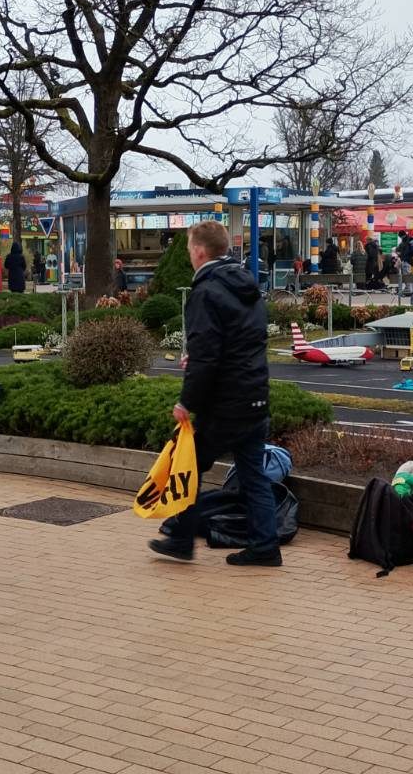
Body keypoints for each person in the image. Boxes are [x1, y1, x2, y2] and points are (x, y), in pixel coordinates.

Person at [147, 220, 280, 567]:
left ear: (199, 251)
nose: (189, 255)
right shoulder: (247, 286)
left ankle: (181, 539)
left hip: (225, 404)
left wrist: (186, 402)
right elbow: (241, 342)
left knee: (189, 466)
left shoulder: (205, 292)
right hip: (255, 395)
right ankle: (265, 547)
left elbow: (207, 356)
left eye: (189, 249)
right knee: (254, 477)